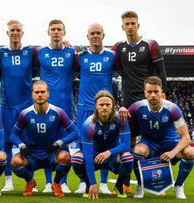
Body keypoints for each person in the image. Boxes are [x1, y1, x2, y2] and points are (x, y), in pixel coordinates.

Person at [112, 10, 168, 192]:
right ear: (122, 27)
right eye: (126, 24)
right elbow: (110, 63)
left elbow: (161, 73)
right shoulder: (119, 48)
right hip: (129, 104)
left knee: (150, 141)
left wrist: (162, 94)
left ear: (138, 25)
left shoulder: (150, 45)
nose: (130, 27)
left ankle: (154, 182)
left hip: (149, 102)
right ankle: (129, 184)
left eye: (132, 23)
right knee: (129, 144)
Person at [126, 76, 194, 199]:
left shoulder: (172, 108)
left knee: (190, 152)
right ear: (145, 93)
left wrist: (173, 152)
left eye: (156, 91)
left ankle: (178, 186)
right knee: (137, 151)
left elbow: (185, 137)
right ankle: (141, 185)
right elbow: (124, 116)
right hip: (149, 143)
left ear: (161, 92)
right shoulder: (137, 107)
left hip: (170, 143)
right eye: (149, 92)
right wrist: (121, 108)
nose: (153, 95)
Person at [10, 80, 79, 197]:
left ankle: (56, 183)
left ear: (48, 94)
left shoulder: (58, 112)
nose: (40, 95)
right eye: (37, 92)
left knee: (66, 157)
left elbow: (75, 133)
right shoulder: (25, 113)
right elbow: (13, 135)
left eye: (42, 92)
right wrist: (21, 146)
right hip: (32, 155)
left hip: (52, 154)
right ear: (32, 94)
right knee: (15, 162)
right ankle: (30, 182)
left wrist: (59, 143)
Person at [0, 20, 39, 192]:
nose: (15, 33)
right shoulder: (0, 53)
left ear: (22, 33)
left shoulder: (30, 52)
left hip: (26, 107)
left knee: (28, 144)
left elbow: (35, 71)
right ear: (7, 33)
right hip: (7, 106)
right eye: (12, 30)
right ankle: (9, 182)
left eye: (18, 30)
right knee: (6, 144)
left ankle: (30, 181)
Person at [74, 23, 118, 194]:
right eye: (92, 33)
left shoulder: (111, 56)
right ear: (87, 36)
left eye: (98, 33)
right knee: (82, 146)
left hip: (105, 107)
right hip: (85, 107)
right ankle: (83, 182)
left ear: (103, 35)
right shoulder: (80, 56)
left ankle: (104, 184)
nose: (95, 36)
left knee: (106, 143)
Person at [72, 90, 133, 199]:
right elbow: (88, 154)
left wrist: (109, 152)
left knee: (128, 157)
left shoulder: (121, 119)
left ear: (113, 105)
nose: (104, 107)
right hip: (93, 156)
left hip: (112, 157)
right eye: (101, 104)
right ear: (96, 106)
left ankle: (119, 186)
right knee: (76, 159)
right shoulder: (89, 124)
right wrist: (93, 183)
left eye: (107, 104)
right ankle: (87, 185)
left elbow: (126, 145)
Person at [37, 19, 75, 193]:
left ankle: (62, 182)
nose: (56, 32)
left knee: (64, 144)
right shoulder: (40, 53)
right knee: (46, 143)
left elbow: (78, 69)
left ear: (64, 32)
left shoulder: (72, 53)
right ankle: (47, 182)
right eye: (53, 29)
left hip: (66, 104)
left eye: (59, 29)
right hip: (45, 106)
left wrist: (74, 47)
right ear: (48, 32)